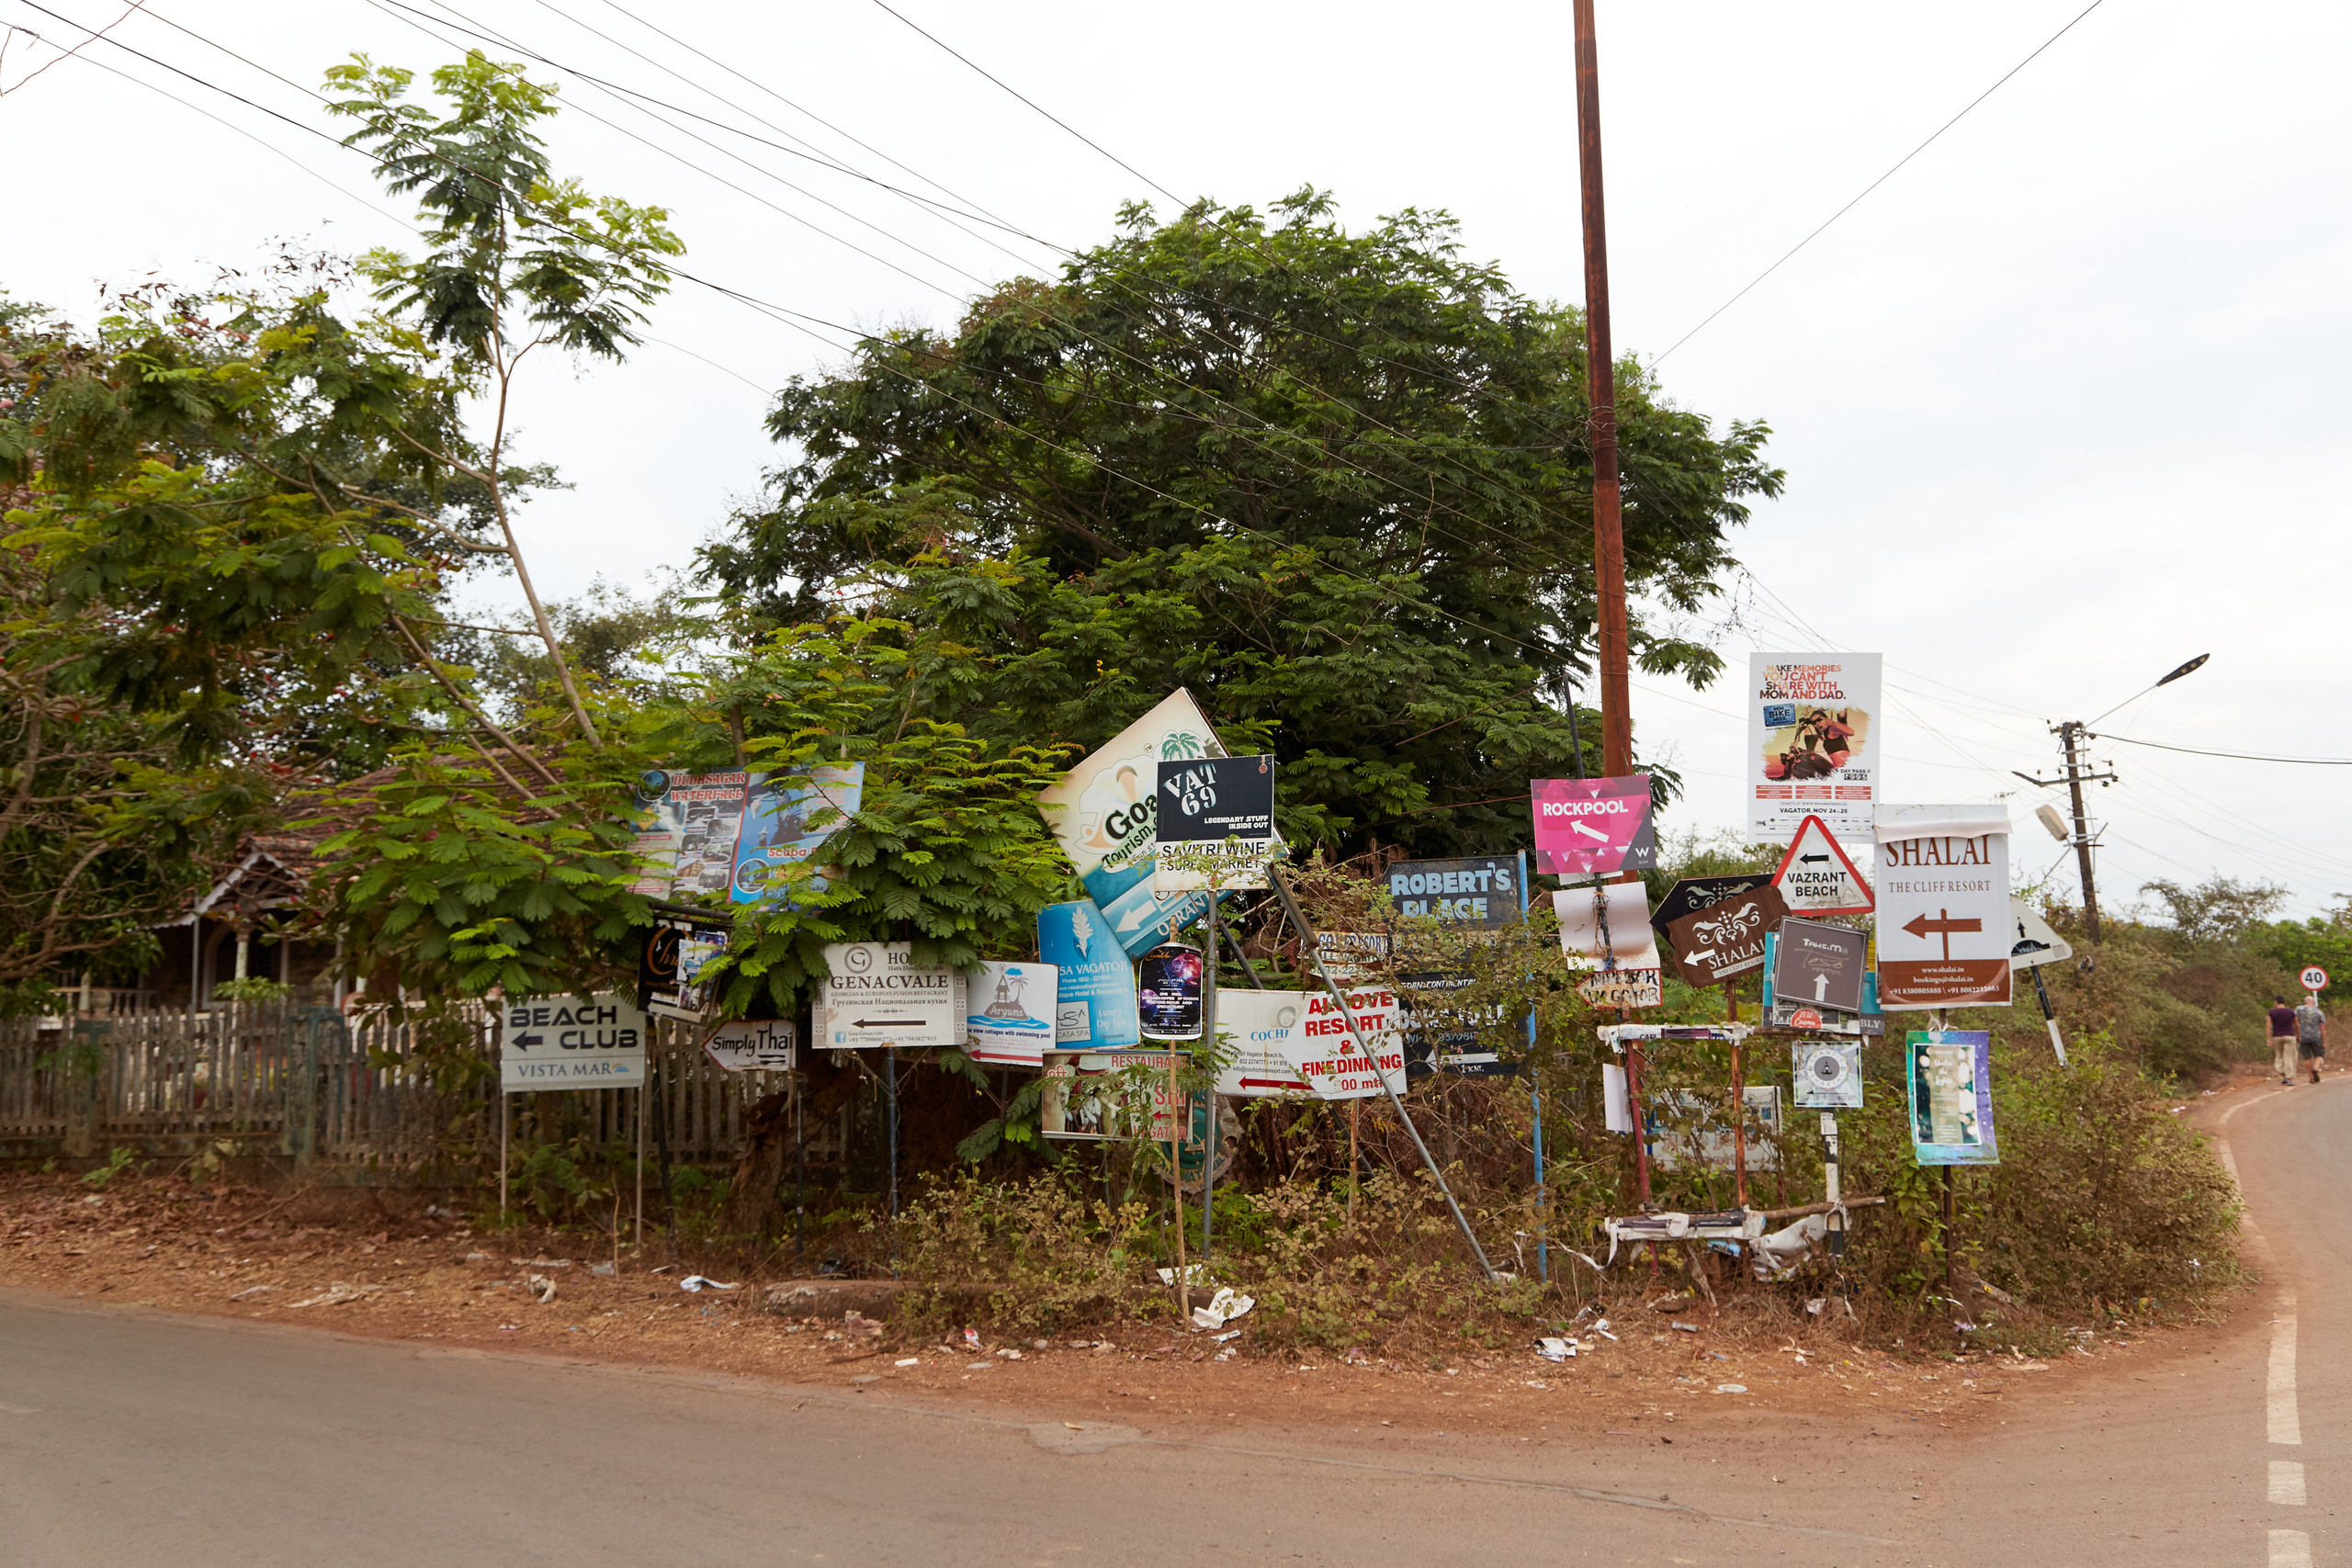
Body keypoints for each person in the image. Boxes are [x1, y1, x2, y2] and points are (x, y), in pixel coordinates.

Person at [2296, 994, 2329, 1084]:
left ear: (2305, 1002)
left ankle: (2311, 1078)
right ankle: (2316, 1068)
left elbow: (2295, 1022)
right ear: (2314, 1003)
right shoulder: (2319, 1012)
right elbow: (2322, 1027)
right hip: (2316, 1037)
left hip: (2303, 1036)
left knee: (2307, 1057)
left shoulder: (2298, 1010)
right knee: (2320, 1054)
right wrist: (2324, 1040)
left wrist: (2297, 1035)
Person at [2268, 995, 2301, 1085]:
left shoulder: (2272, 1012)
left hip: (2277, 1036)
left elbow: (2268, 1026)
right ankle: (2289, 1078)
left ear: (2276, 1002)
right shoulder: (2290, 1011)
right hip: (2289, 1036)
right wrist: (2298, 1035)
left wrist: (2269, 1039)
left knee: (2279, 1056)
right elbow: (2297, 1024)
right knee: (2289, 1056)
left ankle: (2283, 1075)